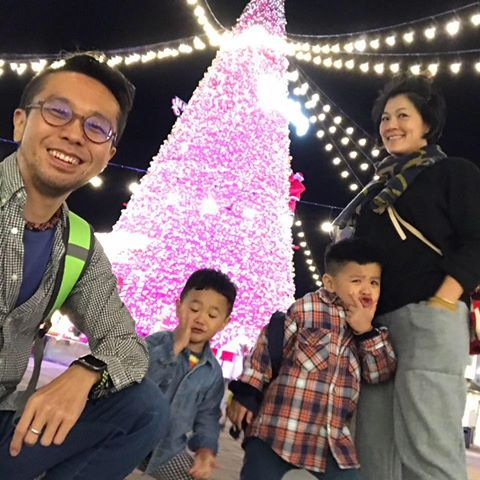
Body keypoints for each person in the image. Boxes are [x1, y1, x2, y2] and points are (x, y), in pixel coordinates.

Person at [0, 53, 170, 479]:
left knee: (144, 408)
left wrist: (87, 371)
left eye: (96, 127)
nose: (75, 133)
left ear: (108, 154)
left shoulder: (78, 245)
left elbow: (127, 346)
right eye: (58, 112)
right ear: (20, 122)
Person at [333, 75, 480, 480]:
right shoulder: (375, 193)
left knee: (428, 450)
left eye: (403, 115)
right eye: (385, 117)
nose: (391, 125)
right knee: (373, 452)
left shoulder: (453, 172)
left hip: (428, 318)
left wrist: (444, 299)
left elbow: (477, 239)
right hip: (375, 329)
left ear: (427, 123)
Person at [228, 239, 396, 480]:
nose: (366, 289)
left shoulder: (373, 327)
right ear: (330, 283)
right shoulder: (306, 309)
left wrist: (365, 332)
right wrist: (246, 394)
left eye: (374, 282)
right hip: (278, 427)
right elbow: (265, 350)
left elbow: (379, 373)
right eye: (356, 281)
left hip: (331, 440)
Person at [142, 268, 237, 480]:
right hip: (126, 437)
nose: (201, 319)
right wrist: (174, 348)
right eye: (194, 309)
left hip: (166, 452)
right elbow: (135, 379)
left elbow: (208, 416)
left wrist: (206, 450)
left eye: (212, 315)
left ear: (224, 322)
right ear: (179, 307)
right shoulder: (155, 344)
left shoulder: (212, 372)